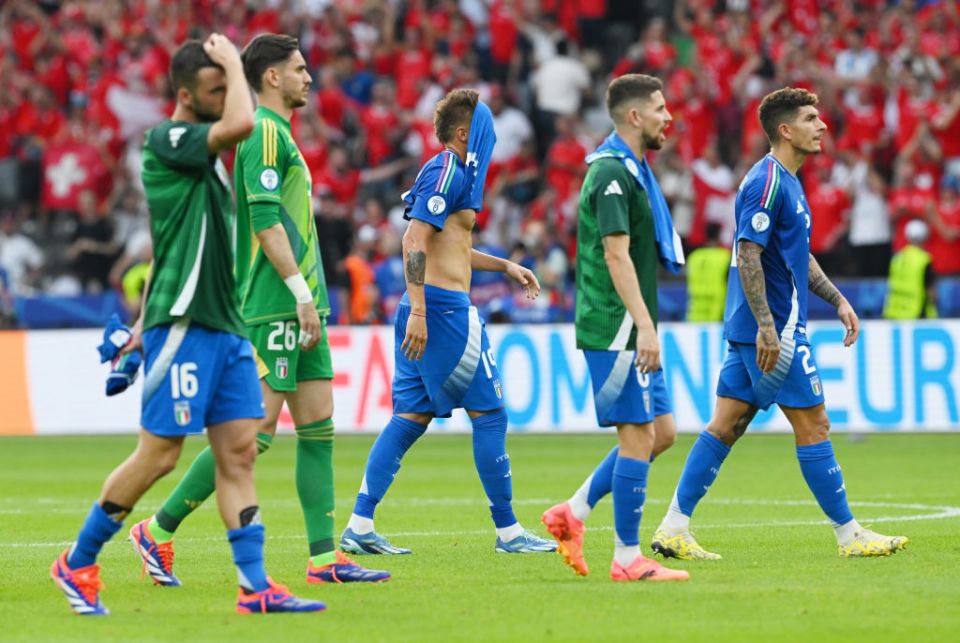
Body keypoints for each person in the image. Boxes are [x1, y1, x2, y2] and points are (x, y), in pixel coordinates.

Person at [50, 35, 325, 615]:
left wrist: (134, 326)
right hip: (186, 325)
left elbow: (165, 249)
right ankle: (77, 560)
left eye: (228, 88)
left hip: (224, 327)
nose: (226, 96)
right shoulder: (167, 139)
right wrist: (233, 61)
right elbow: (242, 125)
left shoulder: (206, 165)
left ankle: (255, 587)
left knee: (241, 453)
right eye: (215, 89)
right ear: (185, 95)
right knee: (160, 455)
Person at [128, 34, 388, 586]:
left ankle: (323, 560)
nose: (308, 78)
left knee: (319, 427)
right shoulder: (265, 135)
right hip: (274, 305)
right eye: (299, 69)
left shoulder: (281, 136)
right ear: (272, 77)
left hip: (303, 302)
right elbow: (267, 222)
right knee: (254, 435)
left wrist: (310, 298)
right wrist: (298, 295)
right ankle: (157, 530)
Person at [651, 87, 908, 560]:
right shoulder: (767, 181)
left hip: (753, 327)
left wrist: (837, 300)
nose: (823, 125)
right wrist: (769, 326)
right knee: (816, 424)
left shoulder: (788, 180)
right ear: (786, 130)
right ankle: (849, 535)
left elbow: (795, 256)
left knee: (726, 426)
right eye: (812, 118)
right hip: (773, 332)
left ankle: (673, 527)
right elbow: (748, 251)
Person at [339, 88, 556, 555]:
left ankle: (359, 524)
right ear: (465, 133)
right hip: (440, 311)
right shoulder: (447, 168)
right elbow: (413, 240)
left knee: (409, 418)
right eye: (483, 127)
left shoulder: (446, 172)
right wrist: (420, 309)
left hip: (426, 307)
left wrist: (505, 266)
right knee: (491, 414)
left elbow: (449, 245)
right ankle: (509, 532)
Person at [540, 74, 689, 582]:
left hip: (633, 322)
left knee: (661, 433)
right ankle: (627, 558)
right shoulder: (609, 173)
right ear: (635, 116)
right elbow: (614, 253)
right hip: (615, 324)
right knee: (637, 435)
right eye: (661, 108)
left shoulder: (632, 170)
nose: (668, 117)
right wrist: (644, 325)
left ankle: (573, 513)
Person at [883, 219, 938, 319]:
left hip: (894, 311)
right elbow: (930, 290)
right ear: (925, 238)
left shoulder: (897, 258)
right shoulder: (923, 259)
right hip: (916, 312)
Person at [685, 222, 732, 322]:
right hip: (717, 311)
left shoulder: (694, 256)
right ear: (719, 235)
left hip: (694, 312)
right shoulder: (725, 257)